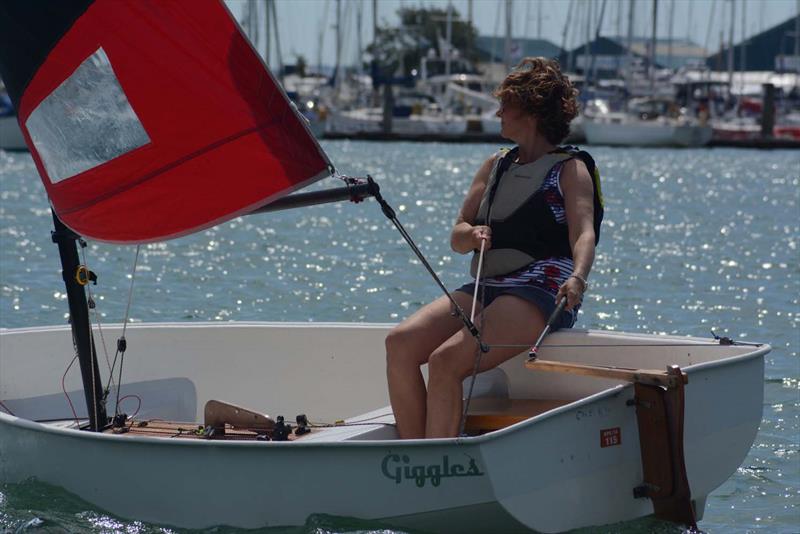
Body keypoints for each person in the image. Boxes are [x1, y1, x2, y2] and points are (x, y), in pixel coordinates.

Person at [385, 57, 603, 439]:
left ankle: (433, 466)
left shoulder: (570, 169)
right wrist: (470, 236)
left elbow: (584, 234)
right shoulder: (495, 166)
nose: (498, 112)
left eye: (507, 105)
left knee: (445, 361)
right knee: (400, 344)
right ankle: (411, 454)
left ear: (532, 112)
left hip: (540, 289)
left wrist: (578, 278)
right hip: (488, 286)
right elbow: (457, 235)